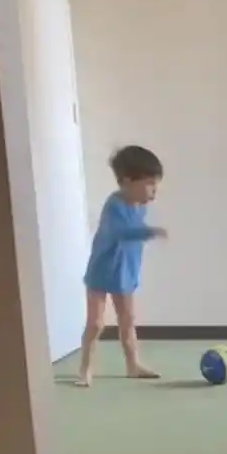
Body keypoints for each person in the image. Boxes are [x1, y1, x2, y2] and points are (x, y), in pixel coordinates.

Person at [75, 145, 168, 387]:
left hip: (125, 272)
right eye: (149, 184)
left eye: (155, 185)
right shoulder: (114, 205)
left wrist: (145, 234)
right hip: (102, 270)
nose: (154, 191)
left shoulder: (140, 207)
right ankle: (85, 368)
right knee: (96, 323)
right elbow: (120, 231)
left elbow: (133, 237)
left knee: (127, 319)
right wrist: (149, 232)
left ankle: (133, 364)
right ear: (127, 181)